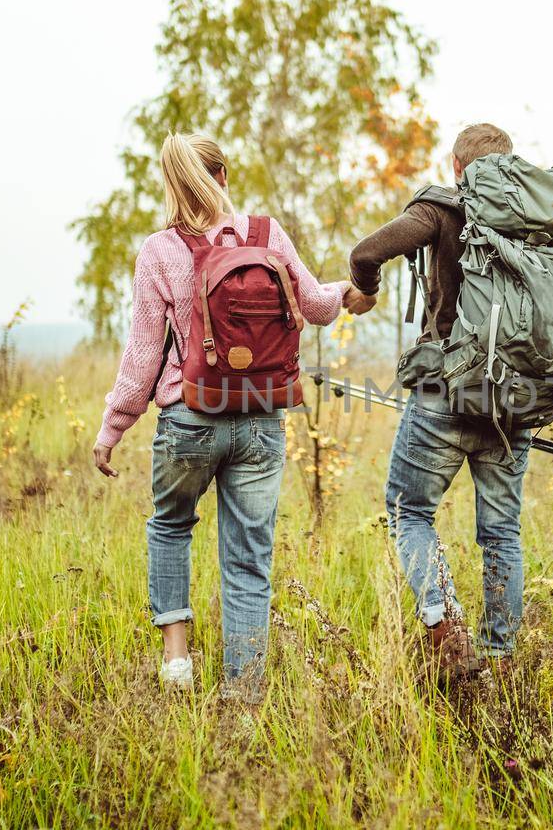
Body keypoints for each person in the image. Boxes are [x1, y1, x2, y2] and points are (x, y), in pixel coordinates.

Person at [94, 133, 348, 697]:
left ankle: (178, 666)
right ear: (223, 178)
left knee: (169, 525)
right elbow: (316, 305)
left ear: (172, 185)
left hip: (190, 417)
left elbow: (141, 357)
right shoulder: (267, 234)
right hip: (260, 417)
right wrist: (348, 290)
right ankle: (245, 693)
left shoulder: (160, 251)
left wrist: (113, 427)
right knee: (249, 557)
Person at [343, 123, 532, 679]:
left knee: (409, 511)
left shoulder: (442, 210)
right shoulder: (536, 221)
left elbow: (367, 251)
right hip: (514, 400)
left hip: (445, 395)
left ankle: (447, 628)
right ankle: (498, 662)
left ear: (456, 167)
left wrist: (368, 288)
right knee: (501, 533)